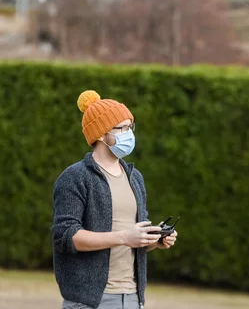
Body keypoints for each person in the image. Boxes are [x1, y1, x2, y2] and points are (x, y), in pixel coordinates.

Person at [52, 90, 178, 309]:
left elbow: (132, 238)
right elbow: (67, 237)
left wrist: (154, 239)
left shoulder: (135, 177)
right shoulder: (75, 178)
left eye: (131, 127)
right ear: (101, 134)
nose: (129, 134)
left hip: (132, 298)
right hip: (90, 301)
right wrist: (123, 237)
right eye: (122, 128)